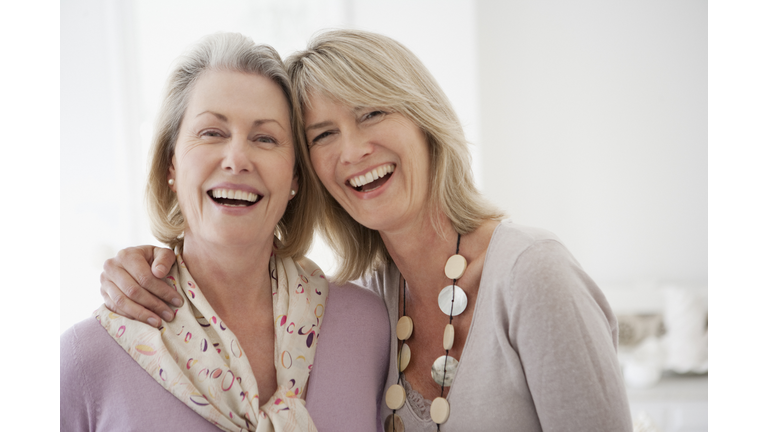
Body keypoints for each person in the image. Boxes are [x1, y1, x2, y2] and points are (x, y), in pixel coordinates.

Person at [99, 29, 633, 431]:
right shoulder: (367, 307)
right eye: (324, 134)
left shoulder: (531, 275)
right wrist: (149, 264)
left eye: (373, 113)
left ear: (424, 122)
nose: (353, 151)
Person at [60, 32, 389, 432]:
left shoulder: (368, 326)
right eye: (212, 133)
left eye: (265, 138)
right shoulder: (86, 359)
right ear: (171, 165)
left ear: (295, 177)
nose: (237, 159)